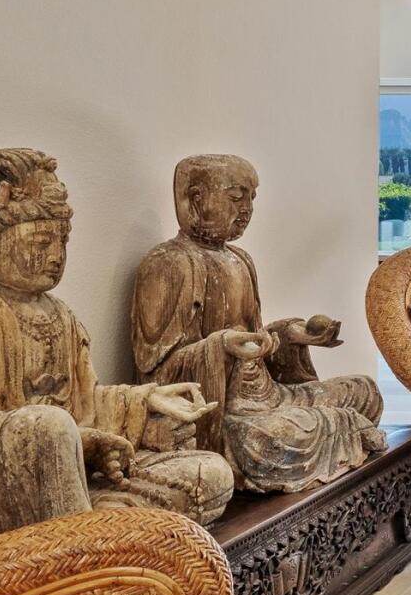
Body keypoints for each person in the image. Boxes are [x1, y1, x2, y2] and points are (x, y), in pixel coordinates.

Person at [0, 148, 232, 552]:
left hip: (78, 484)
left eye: (62, 241)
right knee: (49, 427)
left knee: (210, 472)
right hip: (16, 503)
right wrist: (59, 436)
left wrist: (144, 403)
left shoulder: (63, 317)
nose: (55, 256)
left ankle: (91, 536)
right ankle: (83, 552)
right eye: (41, 242)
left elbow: (86, 401)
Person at [130, 154, 385, 495]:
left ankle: (340, 427)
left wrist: (291, 335)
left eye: (251, 198)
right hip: (229, 414)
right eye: (236, 197)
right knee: (276, 438)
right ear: (196, 199)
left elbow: (258, 341)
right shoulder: (170, 263)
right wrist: (221, 346)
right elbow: (157, 376)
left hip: (268, 395)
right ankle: (344, 428)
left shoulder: (241, 260)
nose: (246, 209)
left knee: (364, 390)